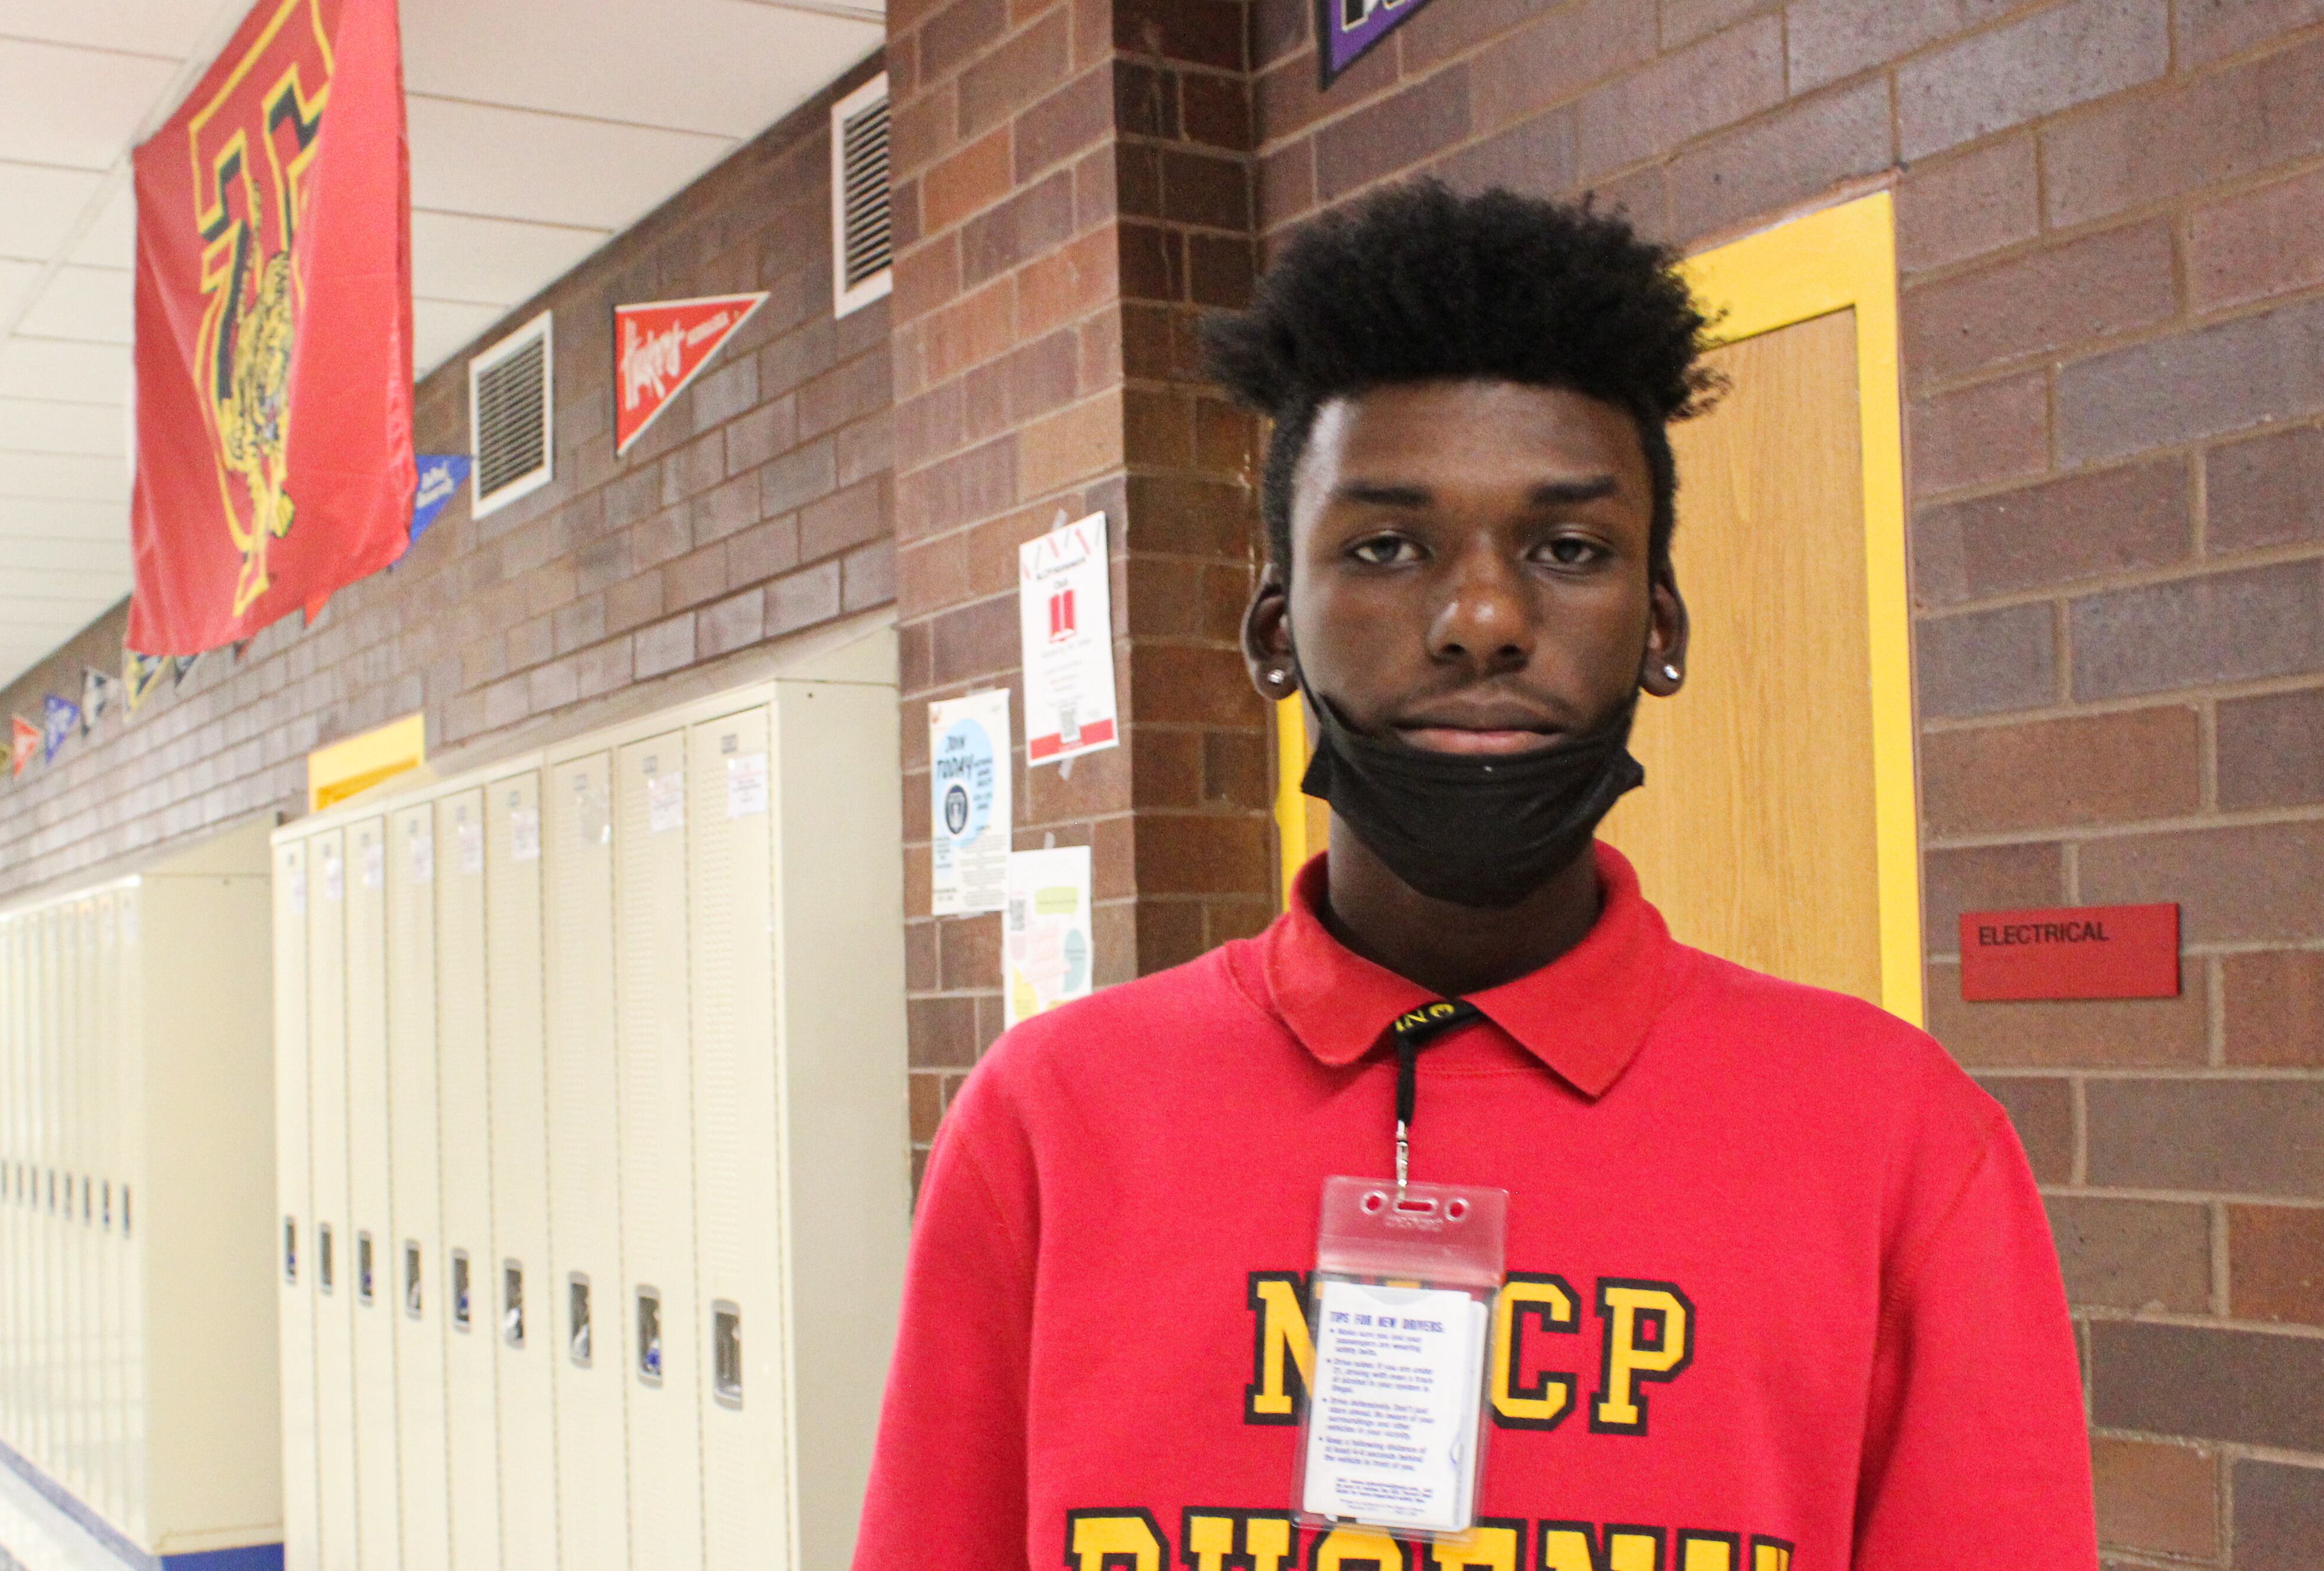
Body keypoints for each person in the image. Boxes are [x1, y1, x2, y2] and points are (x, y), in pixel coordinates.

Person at [852, 181, 2097, 1570]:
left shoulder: (1899, 1144)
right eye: (1387, 547)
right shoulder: (1050, 1123)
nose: (1485, 619)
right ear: (1274, 633)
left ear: (1658, 627)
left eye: (1567, 550)